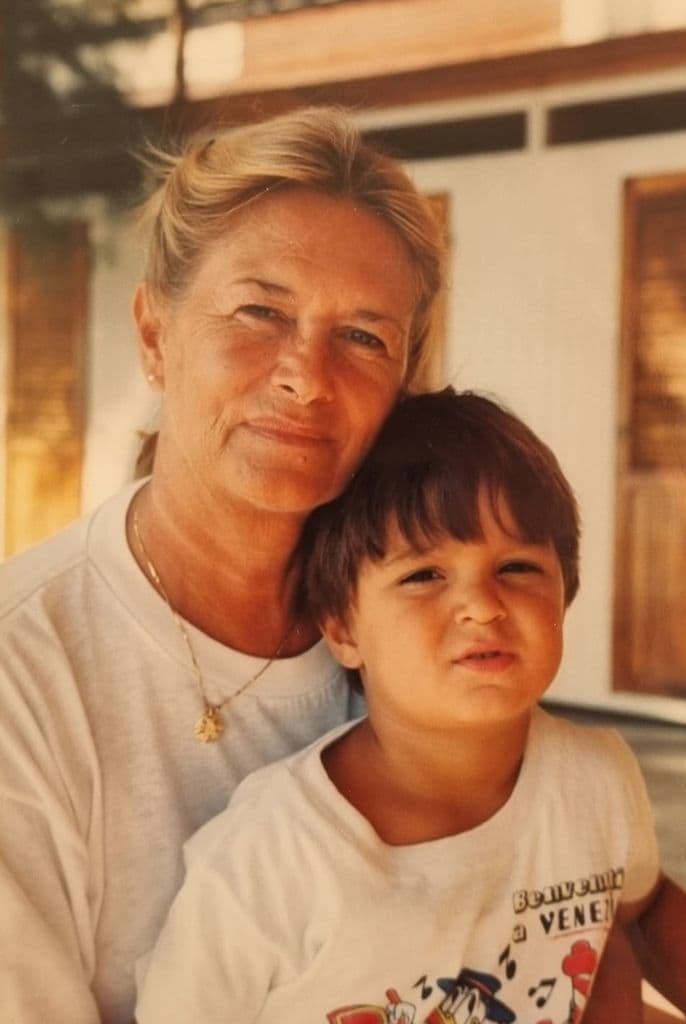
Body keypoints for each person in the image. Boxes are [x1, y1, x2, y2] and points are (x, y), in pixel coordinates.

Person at [0, 106, 445, 1024]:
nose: (306, 376)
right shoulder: (26, 673)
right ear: (156, 335)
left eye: (365, 336)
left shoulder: (431, 631)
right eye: (260, 311)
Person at [134, 389, 686, 1024]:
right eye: (423, 576)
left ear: (564, 595)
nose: (482, 606)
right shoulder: (269, 858)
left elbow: (644, 909)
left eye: (518, 568)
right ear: (344, 629)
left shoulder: (594, 778)